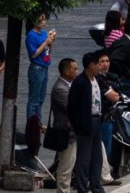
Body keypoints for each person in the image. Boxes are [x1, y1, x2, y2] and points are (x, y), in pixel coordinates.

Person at [68, 51, 119, 193]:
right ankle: (82, 187)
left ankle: (96, 185)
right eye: (98, 63)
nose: (100, 66)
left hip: (97, 120)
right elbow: (71, 106)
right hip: (86, 122)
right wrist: (78, 124)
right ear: (91, 65)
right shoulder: (80, 82)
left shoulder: (97, 80)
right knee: (84, 158)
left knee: (97, 156)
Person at [50, 58, 79, 193]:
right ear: (66, 72)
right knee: (66, 164)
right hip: (65, 132)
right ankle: (63, 190)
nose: (76, 72)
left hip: (72, 131)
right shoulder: (60, 89)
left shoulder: (69, 85)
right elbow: (72, 108)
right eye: (74, 69)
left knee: (70, 162)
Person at [24, 14, 56, 125]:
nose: (44, 22)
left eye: (45, 19)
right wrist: (46, 42)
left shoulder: (43, 33)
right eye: (41, 20)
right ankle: (31, 124)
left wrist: (51, 42)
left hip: (45, 66)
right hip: (36, 68)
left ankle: (38, 122)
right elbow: (34, 54)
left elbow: (47, 52)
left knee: (41, 98)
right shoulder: (31, 35)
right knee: (34, 99)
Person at [106, 17, 130, 85]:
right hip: (124, 82)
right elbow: (114, 59)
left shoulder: (124, 41)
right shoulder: (125, 44)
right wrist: (124, 73)